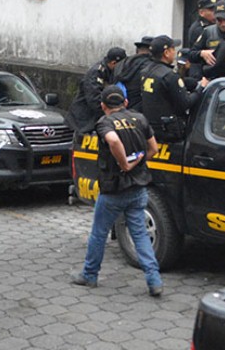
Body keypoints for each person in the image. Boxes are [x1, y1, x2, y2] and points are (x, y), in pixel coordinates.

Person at [71, 86, 163, 297]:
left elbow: (112, 140)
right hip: (138, 188)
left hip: (113, 191)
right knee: (139, 234)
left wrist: (124, 164)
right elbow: (154, 149)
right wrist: (138, 162)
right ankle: (154, 280)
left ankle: (90, 275)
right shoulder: (140, 118)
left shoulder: (105, 122)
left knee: (99, 233)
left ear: (103, 106)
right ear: (126, 103)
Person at [140, 35, 207, 135]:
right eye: (173, 49)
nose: (175, 52)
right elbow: (185, 103)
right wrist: (201, 87)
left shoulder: (145, 71)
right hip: (169, 132)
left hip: (150, 129)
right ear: (166, 53)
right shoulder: (170, 75)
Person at [66, 46, 127, 134]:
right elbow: (94, 100)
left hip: (95, 119)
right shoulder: (96, 73)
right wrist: (111, 116)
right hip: (84, 121)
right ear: (113, 63)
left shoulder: (110, 72)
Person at [112, 37, 154, 112]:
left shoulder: (121, 63)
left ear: (137, 50)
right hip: (140, 113)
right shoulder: (150, 67)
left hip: (119, 109)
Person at [182, 0, 219, 79]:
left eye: (216, 9)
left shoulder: (216, 26)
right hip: (200, 72)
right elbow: (195, 52)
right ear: (201, 13)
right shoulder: (198, 29)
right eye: (211, 10)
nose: (215, 12)